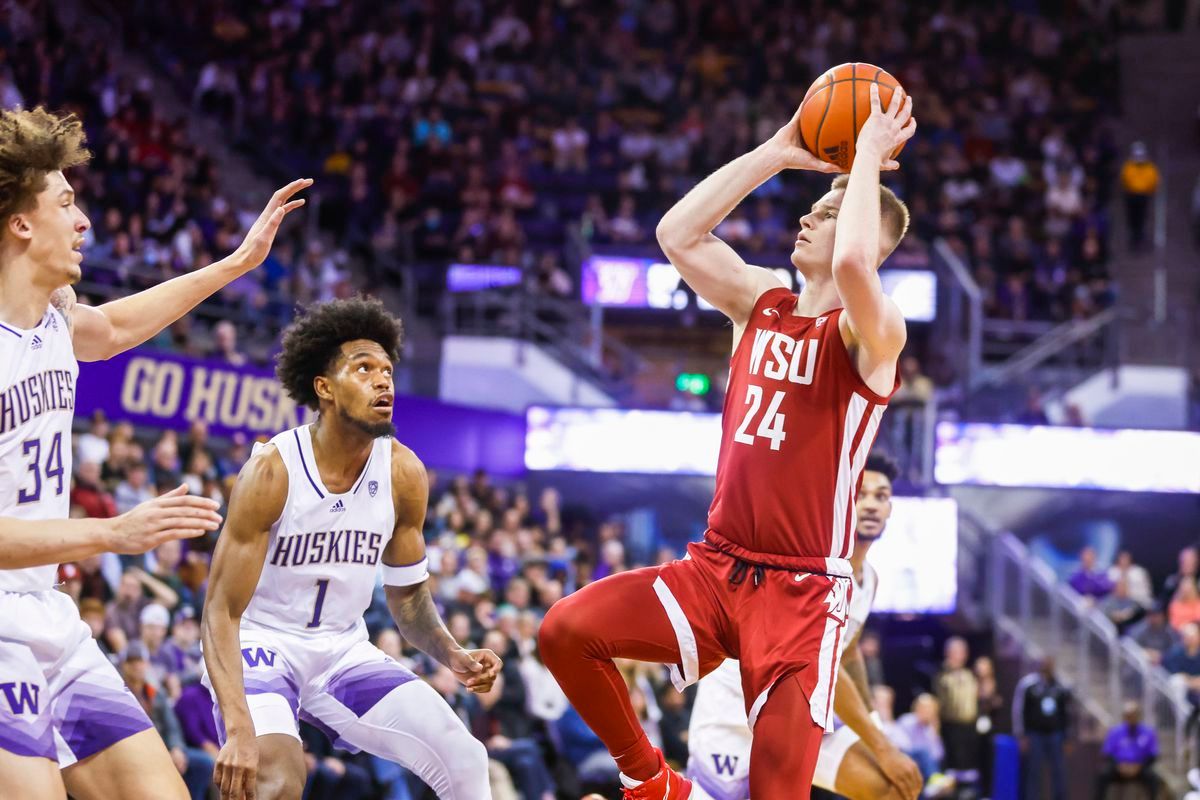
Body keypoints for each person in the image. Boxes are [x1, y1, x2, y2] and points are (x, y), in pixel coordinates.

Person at [539, 85, 917, 798]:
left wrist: (865, 158)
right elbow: (677, 234)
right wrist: (777, 152)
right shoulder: (760, 303)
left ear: (870, 234)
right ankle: (653, 782)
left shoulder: (873, 336)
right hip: (715, 569)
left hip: (802, 593)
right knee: (565, 630)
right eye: (816, 205)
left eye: (829, 212)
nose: (809, 214)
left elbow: (854, 271)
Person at [0, 105, 305, 799]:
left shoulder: (54, 317)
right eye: (67, 204)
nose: (84, 223)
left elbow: (111, 328)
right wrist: (113, 532)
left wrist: (235, 264)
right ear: (20, 223)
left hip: (48, 613)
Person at [202, 296, 501, 800]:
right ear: (324, 388)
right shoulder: (273, 470)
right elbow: (220, 612)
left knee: (466, 756)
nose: (383, 381)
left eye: (387, 370)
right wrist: (237, 729)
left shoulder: (403, 472)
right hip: (262, 644)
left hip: (343, 651)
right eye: (363, 369)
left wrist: (453, 653)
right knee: (278, 777)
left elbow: (407, 598)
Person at [686, 452, 922, 800]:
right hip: (735, 705)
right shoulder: (816, 568)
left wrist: (871, 719)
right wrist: (883, 747)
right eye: (860, 494)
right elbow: (822, 667)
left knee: (892, 788)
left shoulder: (868, 581)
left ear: (890, 509)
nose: (871, 505)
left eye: (881, 496)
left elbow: (849, 651)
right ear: (841, 501)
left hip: (799, 712)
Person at [1012, 657, 1070, 800]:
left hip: (1055, 734)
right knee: (1033, 771)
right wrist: (1020, 735)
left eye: (1050, 664)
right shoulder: (1028, 684)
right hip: (1034, 734)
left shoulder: (1060, 685)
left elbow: (1066, 712)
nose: (1047, 666)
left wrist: (1067, 736)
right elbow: (1019, 710)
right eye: (1044, 663)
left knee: (1059, 771)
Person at [933, 637, 979, 780]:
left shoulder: (969, 675)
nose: (960, 655)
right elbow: (938, 701)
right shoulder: (941, 674)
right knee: (953, 766)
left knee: (969, 766)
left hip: (970, 725)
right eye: (955, 652)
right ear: (947, 653)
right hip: (951, 727)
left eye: (962, 652)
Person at [1094, 701, 1160, 800]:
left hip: (1139, 768)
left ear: (1139, 716)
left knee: (1154, 778)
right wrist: (1119, 765)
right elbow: (1108, 753)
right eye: (1128, 715)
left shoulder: (1148, 732)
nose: (1131, 718)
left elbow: (1153, 755)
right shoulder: (1116, 731)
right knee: (1102, 775)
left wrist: (1139, 766)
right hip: (1119, 768)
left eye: (1134, 715)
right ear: (1124, 716)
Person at [1119, 141, 1159, 250]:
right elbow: (1125, 179)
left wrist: (1147, 189)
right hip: (1131, 195)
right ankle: (1133, 236)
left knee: (1141, 217)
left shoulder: (1150, 167)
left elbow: (1154, 181)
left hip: (1143, 196)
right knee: (1132, 217)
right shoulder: (1128, 166)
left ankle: (1140, 236)